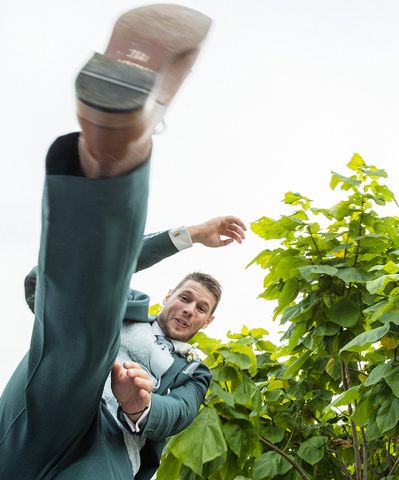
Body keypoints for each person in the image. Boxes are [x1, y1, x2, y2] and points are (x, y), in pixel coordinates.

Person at [0, 4, 235, 479]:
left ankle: (114, 148)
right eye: (186, 297)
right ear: (168, 296)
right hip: (51, 401)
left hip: (107, 450)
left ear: (208, 322)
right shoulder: (124, 306)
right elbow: (65, 279)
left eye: (201, 308)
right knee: (92, 314)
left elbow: (180, 412)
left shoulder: (194, 371)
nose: (189, 309)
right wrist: (188, 236)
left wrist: (141, 405)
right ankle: (112, 148)